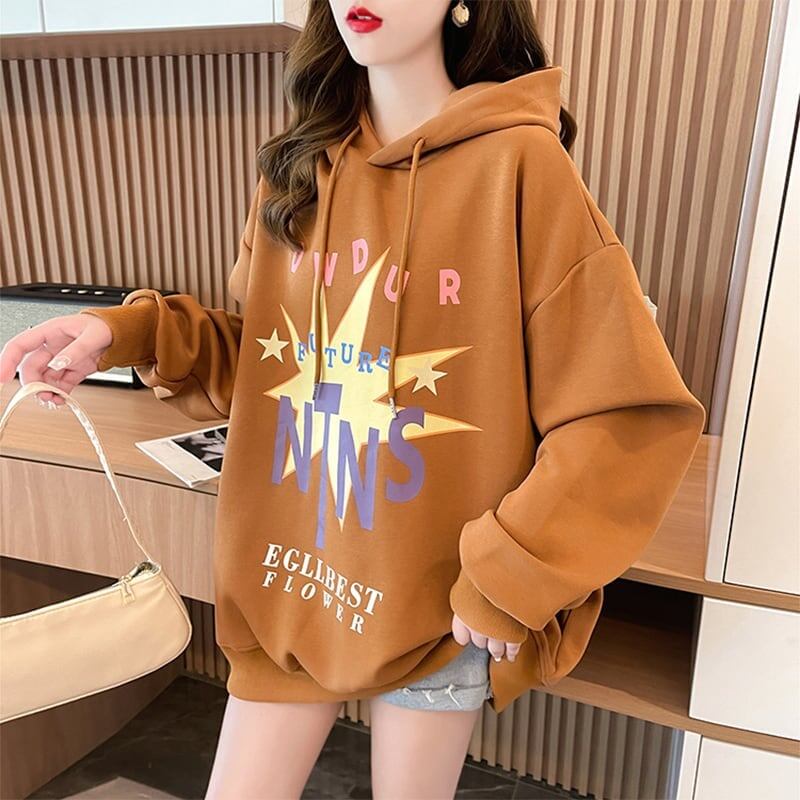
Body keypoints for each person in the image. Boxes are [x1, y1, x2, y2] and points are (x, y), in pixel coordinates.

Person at [0, 1, 707, 798]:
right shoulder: (298, 169)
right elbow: (271, 360)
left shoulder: (520, 165)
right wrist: (124, 332)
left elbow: (627, 414)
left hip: (436, 601)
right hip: (292, 576)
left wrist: (511, 575)